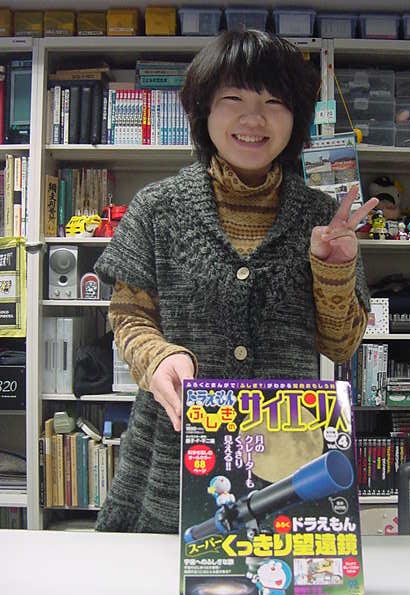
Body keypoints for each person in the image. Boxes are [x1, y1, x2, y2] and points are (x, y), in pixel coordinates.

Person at [94, 29, 378, 533]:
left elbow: (340, 345)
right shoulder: (158, 208)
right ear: (204, 109)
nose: (253, 119)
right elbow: (129, 314)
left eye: (274, 102)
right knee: (166, 571)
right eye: (234, 100)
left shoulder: (323, 217)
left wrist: (334, 271)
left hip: (286, 455)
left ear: (295, 118)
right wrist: (157, 357)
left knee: (276, 568)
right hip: (178, 446)